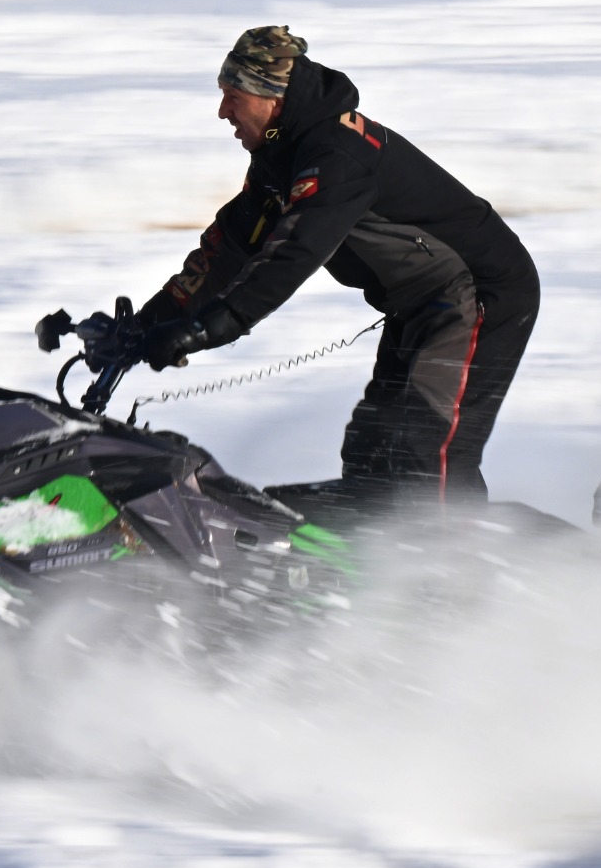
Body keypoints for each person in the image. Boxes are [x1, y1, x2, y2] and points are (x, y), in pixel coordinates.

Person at [135, 25, 539, 507]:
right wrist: (146, 323)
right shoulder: (281, 155)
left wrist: (210, 326)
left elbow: (294, 252)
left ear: (272, 98)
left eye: (233, 96)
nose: (223, 111)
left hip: (481, 293)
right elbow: (228, 248)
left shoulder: (336, 154)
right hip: (424, 302)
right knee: (374, 446)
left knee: (424, 447)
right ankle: (377, 552)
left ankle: (457, 554)